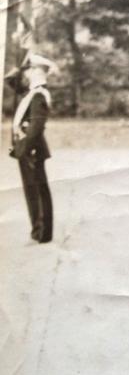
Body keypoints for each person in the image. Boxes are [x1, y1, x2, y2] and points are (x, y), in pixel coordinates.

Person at [8, 53, 56, 244]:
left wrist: (24, 149)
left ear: (39, 72)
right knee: (33, 191)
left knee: (36, 192)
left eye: (30, 69)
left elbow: (36, 128)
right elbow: (11, 81)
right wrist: (20, 67)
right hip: (28, 149)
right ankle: (39, 232)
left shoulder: (38, 95)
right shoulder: (31, 93)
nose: (27, 74)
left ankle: (42, 233)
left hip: (32, 150)